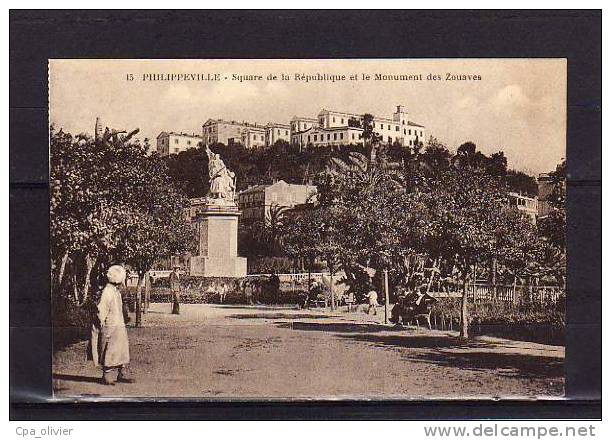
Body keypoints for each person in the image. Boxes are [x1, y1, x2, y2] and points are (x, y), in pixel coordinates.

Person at [89, 265, 133, 385]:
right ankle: (106, 375)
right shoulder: (107, 291)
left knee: (121, 349)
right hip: (110, 325)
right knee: (109, 350)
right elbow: (101, 309)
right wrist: (100, 322)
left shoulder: (115, 291)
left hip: (118, 324)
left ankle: (121, 373)